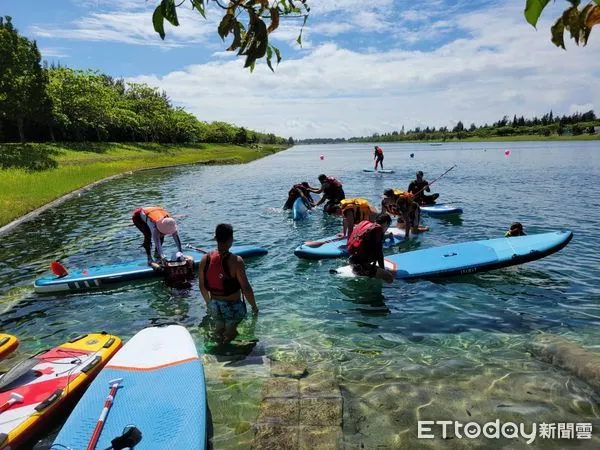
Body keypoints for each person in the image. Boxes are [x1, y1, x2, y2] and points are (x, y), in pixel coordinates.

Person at [198, 223, 258, 345]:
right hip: (232, 306)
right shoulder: (236, 261)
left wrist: (209, 303)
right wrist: (254, 306)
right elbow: (245, 288)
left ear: (215, 238)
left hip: (214, 305)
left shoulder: (205, 259)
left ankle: (215, 348)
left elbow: (202, 287)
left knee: (219, 326)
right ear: (231, 240)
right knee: (231, 329)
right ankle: (226, 349)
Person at [346, 213, 395, 283]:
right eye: (388, 225)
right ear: (386, 223)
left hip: (352, 260)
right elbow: (379, 254)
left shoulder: (368, 226)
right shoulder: (378, 230)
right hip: (361, 266)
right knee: (390, 278)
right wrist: (383, 270)